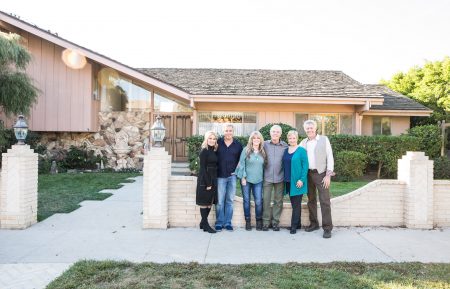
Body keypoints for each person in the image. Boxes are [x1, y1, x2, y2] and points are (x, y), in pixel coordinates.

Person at [299, 120, 335, 239]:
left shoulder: (324, 139)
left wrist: (328, 175)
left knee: (325, 201)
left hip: (321, 174)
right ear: (305, 130)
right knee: (311, 200)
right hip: (307, 174)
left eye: (311, 128)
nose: (309, 130)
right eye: (307, 128)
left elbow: (330, 156)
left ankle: (327, 228)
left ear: (315, 128)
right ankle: (314, 224)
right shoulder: (303, 142)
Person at [235, 131, 266, 231]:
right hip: (246, 180)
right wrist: (243, 177)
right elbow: (241, 164)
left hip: (259, 180)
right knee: (246, 201)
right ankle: (247, 221)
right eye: (254, 138)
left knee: (258, 201)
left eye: (258, 138)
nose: (256, 140)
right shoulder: (246, 150)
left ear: (260, 140)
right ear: (251, 140)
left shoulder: (263, 151)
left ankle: (258, 221)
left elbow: (265, 165)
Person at [215, 124, 243, 232]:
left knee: (230, 200)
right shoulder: (218, 143)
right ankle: (219, 222)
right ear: (223, 131)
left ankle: (227, 223)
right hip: (220, 176)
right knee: (220, 201)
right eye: (226, 130)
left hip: (232, 177)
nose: (228, 132)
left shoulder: (238, 145)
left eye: (230, 130)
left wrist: (236, 172)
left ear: (233, 132)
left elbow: (241, 161)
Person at [262, 124, 288, 231]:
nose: (275, 133)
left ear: (280, 134)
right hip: (267, 177)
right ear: (270, 133)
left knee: (278, 201)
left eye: (277, 132)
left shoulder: (285, 146)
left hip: (280, 177)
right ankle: (265, 222)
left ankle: (275, 222)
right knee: (266, 200)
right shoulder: (264, 144)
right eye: (273, 131)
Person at [282, 130, 309, 234]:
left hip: (297, 182)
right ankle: (298, 224)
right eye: (290, 138)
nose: (292, 140)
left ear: (297, 138)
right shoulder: (285, 150)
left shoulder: (301, 150)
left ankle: (293, 226)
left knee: (296, 204)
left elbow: (305, 166)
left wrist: (301, 180)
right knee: (294, 204)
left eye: (294, 138)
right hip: (288, 181)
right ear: (288, 139)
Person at [196, 131, 219, 234]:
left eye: (214, 139)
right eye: (210, 138)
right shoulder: (204, 151)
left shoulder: (214, 150)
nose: (212, 140)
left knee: (209, 203)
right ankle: (206, 225)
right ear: (206, 139)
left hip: (213, 178)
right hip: (205, 179)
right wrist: (208, 183)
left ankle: (202, 223)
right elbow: (202, 169)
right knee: (204, 203)